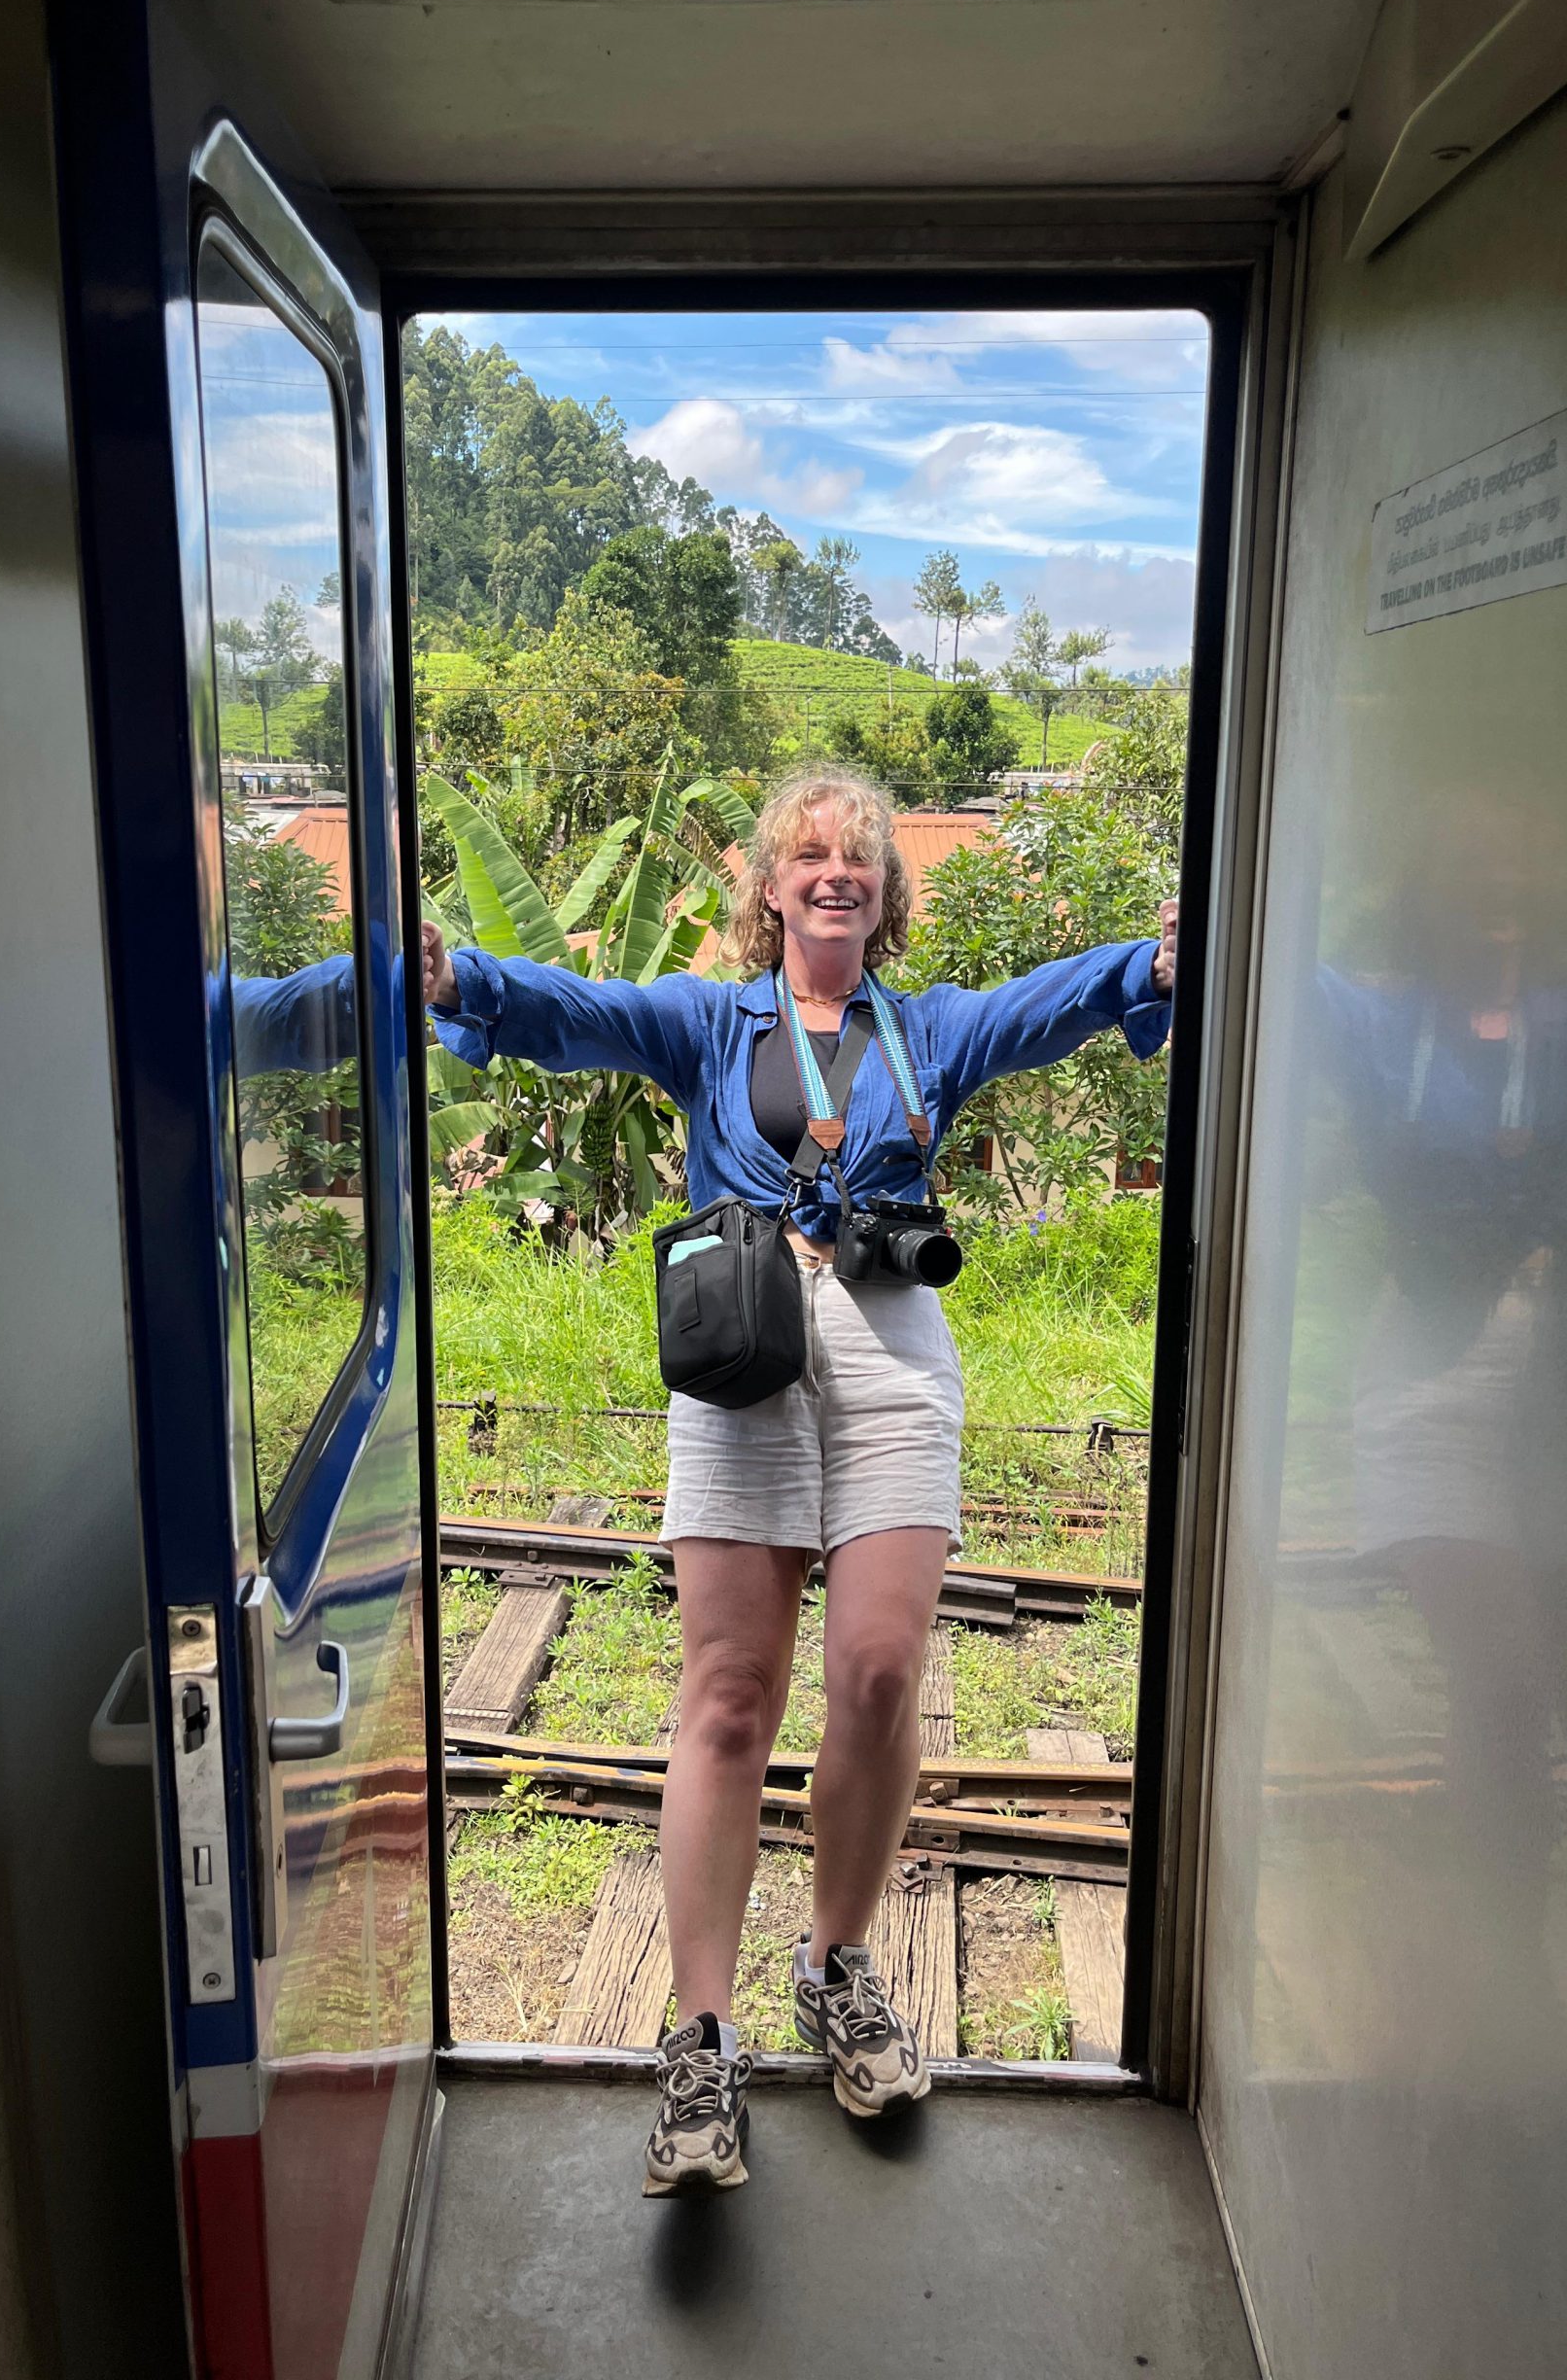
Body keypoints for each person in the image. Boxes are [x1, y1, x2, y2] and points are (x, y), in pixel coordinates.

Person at [423, 766, 1175, 2195]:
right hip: (744, 1338)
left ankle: (835, 1969)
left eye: (861, 857)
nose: (836, 871)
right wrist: (460, 975)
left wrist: (1150, 964)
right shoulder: (714, 1023)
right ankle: (698, 2039)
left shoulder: (929, 1027)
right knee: (726, 1694)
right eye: (809, 854)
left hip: (893, 1348)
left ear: (885, 894)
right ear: (769, 885)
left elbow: (1053, 1001)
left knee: (882, 1671)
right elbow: (577, 1012)